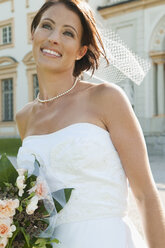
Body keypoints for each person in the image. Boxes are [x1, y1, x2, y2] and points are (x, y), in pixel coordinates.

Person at [16, 0, 165, 247]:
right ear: (33, 34)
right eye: (47, 26)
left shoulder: (107, 98)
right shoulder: (25, 117)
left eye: (68, 33)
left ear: (81, 51)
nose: (54, 38)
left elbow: (145, 194)